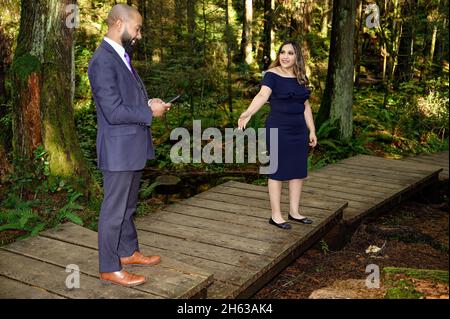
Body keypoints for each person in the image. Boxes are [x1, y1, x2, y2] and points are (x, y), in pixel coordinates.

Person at [88, 4, 171, 287]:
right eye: (136, 28)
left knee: (128, 206)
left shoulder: (121, 56)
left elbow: (126, 102)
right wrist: (148, 114)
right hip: (118, 150)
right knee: (113, 210)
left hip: (131, 147)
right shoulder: (102, 60)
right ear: (119, 24)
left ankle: (127, 252)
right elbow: (112, 111)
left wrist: (149, 104)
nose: (139, 34)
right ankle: (109, 267)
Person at [238, 40, 317, 230]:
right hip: (278, 128)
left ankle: (294, 212)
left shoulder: (301, 77)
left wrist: (312, 130)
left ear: (297, 56)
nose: (285, 56)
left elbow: (305, 105)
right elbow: (262, 96)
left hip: (299, 129)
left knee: (298, 171)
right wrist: (248, 113)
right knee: (277, 171)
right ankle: (276, 215)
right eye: (282, 52)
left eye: (290, 53)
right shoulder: (271, 75)